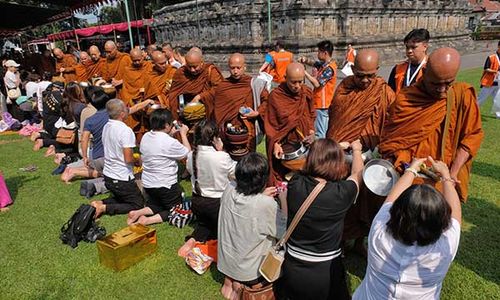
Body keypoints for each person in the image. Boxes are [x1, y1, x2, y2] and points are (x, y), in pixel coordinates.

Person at [379, 48, 484, 202]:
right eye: (436, 83)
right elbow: (390, 142)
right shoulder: (406, 99)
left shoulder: (461, 96)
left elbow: (472, 136)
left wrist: (452, 173)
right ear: (424, 71)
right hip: (407, 178)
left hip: (441, 180)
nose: (442, 90)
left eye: (448, 83)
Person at [353, 157, 462, 300]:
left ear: (396, 211)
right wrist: (446, 176)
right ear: (441, 221)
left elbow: (391, 198)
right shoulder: (445, 248)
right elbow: (456, 213)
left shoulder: (379, 233)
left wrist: (412, 169)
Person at [277, 139, 364, 300]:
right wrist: (357, 150)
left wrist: (331, 148)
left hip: (293, 265)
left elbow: (306, 166)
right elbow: (358, 175)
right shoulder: (341, 193)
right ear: (338, 163)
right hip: (325, 271)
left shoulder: (295, 183)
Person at [326, 49, 395, 251]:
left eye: (370, 76)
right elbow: (335, 120)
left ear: (378, 71)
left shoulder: (384, 92)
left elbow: (391, 124)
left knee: (367, 201)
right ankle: (341, 239)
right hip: (341, 157)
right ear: (352, 69)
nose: (365, 81)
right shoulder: (344, 88)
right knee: (343, 201)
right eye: (360, 75)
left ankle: (359, 241)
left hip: (369, 158)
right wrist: (341, 143)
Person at [218, 153, 286, 299]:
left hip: (226, 263)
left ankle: (231, 281)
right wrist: (283, 201)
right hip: (249, 270)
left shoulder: (229, 188)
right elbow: (284, 233)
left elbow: (246, 202)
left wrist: (261, 195)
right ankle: (244, 285)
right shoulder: (265, 204)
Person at [178, 120, 237, 256]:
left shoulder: (192, 155)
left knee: (205, 225)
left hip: (197, 202)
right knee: (225, 229)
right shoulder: (221, 156)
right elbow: (235, 174)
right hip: (218, 205)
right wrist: (221, 150)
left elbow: (190, 169)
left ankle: (192, 240)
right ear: (215, 138)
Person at [127, 109, 191, 226]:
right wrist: (183, 134)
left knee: (158, 205)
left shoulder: (146, 136)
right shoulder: (169, 142)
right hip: (165, 185)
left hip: (148, 184)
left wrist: (170, 135)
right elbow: (187, 153)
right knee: (176, 208)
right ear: (167, 125)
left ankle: (137, 213)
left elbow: (159, 144)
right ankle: (147, 220)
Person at [205, 53, 268, 155]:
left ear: (244, 67)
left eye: (238, 68)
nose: (235, 71)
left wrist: (256, 113)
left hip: (247, 130)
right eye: (232, 68)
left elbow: (267, 101)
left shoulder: (253, 84)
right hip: (227, 132)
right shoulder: (223, 86)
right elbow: (218, 112)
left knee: (247, 160)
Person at [90, 99, 144, 218]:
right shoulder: (125, 130)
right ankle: (104, 208)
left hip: (108, 176)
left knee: (123, 198)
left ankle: (100, 203)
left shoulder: (106, 126)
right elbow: (128, 159)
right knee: (138, 204)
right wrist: (138, 160)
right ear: (122, 114)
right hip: (121, 177)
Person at [264, 63, 315, 186]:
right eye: (293, 82)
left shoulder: (306, 93)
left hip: (303, 143)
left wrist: (312, 133)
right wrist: (275, 143)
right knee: (282, 179)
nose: (297, 86)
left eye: (300, 81)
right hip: (283, 145)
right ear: (285, 77)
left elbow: (311, 115)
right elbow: (271, 124)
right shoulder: (276, 96)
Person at [61, 87, 109, 183]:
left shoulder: (82, 109)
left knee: (98, 167)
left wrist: (84, 157)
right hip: (95, 152)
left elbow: (83, 138)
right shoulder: (99, 113)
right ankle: (74, 171)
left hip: (90, 151)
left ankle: (71, 168)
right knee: (107, 175)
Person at [167, 49, 223, 120]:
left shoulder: (210, 71)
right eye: (189, 66)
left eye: (195, 66)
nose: (192, 70)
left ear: (201, 62)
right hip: (186, 113)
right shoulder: (181, 73)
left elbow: (219, 89)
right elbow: (173, 94)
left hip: (208, 113)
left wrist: (200, 97)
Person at [299, 40, 337, 138]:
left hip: (323, 105)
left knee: (320, 134)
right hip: (318, 102)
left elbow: (317, 84)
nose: (317, 54)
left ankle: (322, 152)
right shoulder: (324, 65)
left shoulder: (329, 69)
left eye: (319, 51)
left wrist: (304, 72)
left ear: (325, 53)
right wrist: (305, 60)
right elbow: (315, 63)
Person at [388, 29, 430, 94]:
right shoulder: (398, 69)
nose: (409, 51)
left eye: (413, 47)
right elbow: (390, 94)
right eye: (407, 47)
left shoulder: (431, 69)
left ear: (425, 47)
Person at [477, 40, 500, 118]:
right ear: (498, 47)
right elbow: (486, 68)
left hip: (498, 83)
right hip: (488, 83)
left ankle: (498, 114)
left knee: (497, 99)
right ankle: (472, 112)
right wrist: (495, 71)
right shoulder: (491, 57)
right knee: (481, 99)